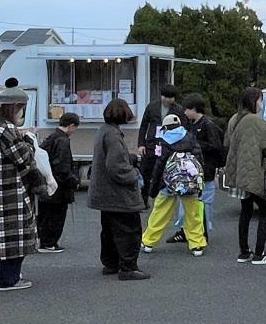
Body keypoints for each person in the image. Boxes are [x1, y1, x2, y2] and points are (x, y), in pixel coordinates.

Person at [0, 86, 43, 291]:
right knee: (15, 237)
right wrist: (29, 141)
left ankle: (3, 276)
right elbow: (24, 157)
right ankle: (9, 279)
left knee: (0, 237)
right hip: (11, 190)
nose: (22, 113)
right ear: (14, 107)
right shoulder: (6, 129)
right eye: (21, 109)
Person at [87, 99, 150, 281]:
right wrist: (134, 174)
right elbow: (117, 166)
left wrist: (127, 158)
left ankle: (111, 263)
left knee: (108, 230)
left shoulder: (103, 131)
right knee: (129, 230)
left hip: (103, 193)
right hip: (118, 194)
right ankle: (128, 267)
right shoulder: (114, 135)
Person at [141, 114, 207, 256]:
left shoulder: (164, 141)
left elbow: (159, 165)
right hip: (189, 182)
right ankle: (197, 244)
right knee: (193, 213)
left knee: (160, 212)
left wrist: (153, 188)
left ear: (165, 127)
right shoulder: (190, 137)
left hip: (168, 183)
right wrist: (200, 180)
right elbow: (199, 159)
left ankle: (148, 242)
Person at [224, 87, 266, 265]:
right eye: (261, 100)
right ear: (254, 101)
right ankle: (260, 253)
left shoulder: (235, 119)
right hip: (253, 171)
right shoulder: (256, 121)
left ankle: (244, 252)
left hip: (238, 171)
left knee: (245, 211)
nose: (262, 104)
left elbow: (227, 142)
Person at [167, 93, 224, 244]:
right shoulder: (192, 125)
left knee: (203, 204)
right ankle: (187, 231)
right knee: (189, 203)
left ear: (193, 109)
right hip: (193, 171)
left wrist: (196, 145)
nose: (184, 112)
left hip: (206, 171)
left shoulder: (207, 125)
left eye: (186, 109)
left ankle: (201, 233)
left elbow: (215, 146)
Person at [37, 112, 80, 253]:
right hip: (58, 187)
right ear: (71, 126)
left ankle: (43, 241)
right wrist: (73, 181)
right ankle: (50, 243)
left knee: (44, 215)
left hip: (46, 183)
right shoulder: (63, 141)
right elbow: (63, 167)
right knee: (56, 216)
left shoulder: (51, 137)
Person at [137, 84, 185, 208]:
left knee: (164, 172)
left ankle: (162, 200)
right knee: (145, 172)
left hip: (169, 145)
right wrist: (141, 144)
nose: (168, 100)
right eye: (165, 97)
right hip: (151, 144)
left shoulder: (178, 110)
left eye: (171, 97)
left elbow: (183, 128)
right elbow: (143, 126)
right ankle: (143, 199)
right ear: (161, 96)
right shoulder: (152, 107)